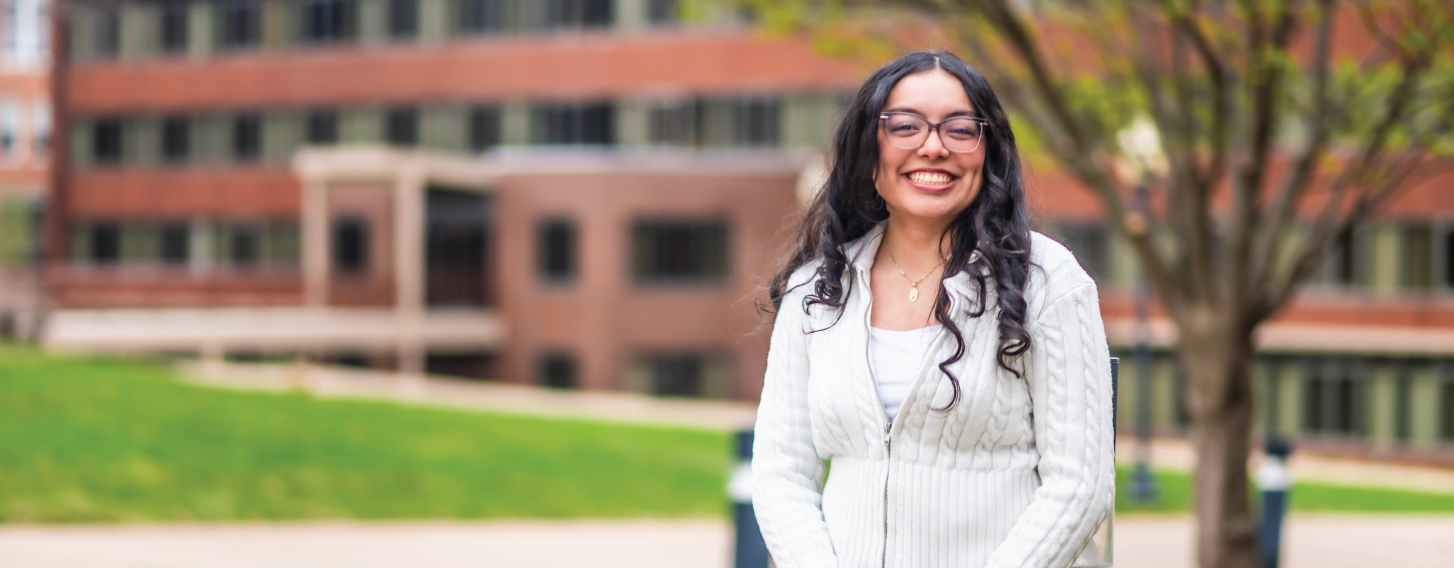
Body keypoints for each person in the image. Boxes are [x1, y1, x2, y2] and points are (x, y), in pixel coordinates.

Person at [752, 51, 1115, 568]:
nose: (933, 146)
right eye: (904, 126)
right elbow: (781, 470)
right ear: (868, 152)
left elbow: (1080, 485)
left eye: (961, 129)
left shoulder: (1049, 282)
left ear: (987, 152)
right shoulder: (818, 288)